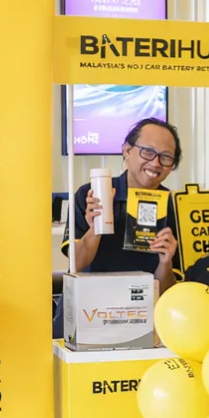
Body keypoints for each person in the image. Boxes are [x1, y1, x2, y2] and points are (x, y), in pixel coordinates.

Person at [62, 117, 183, 290]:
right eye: (148, 152)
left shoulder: (173, 208)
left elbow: (168, 292)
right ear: (127, 150)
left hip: (143, 306)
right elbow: (77, 265)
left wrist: (165, 263)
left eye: (166, 157)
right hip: (90, 304)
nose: (155, 163)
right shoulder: (91, 195)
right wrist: (96, 228)